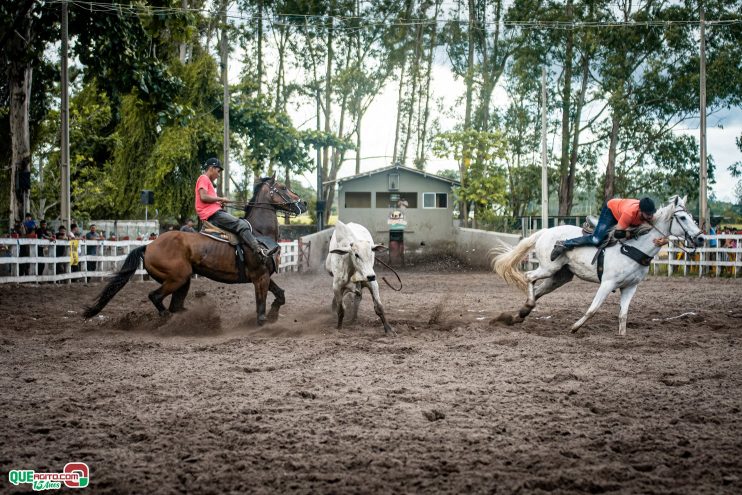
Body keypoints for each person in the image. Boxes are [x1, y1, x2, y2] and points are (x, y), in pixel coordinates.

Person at [195, 157, 276, 263]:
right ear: (211, 168)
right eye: (218, 171)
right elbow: (203, 197)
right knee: (242, 224)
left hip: (213, 212)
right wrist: (221, 198)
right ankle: (259, 251)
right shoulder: (204, 178)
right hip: (213, 214)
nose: (218, 175)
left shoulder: (207, 181)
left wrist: (218, 203)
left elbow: (206, 200)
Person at [550, 197, 668, 261]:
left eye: (652, 214)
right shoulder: (629, 214)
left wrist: (665, 240)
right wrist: (630, 234)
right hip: (611, 210)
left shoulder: (649, 215)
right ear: (641, 211)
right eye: (648, 214)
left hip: (621, 210)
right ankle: (564, 244)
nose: (651, 217)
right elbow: (617, 234)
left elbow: (657, 229)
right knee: (596, 239)